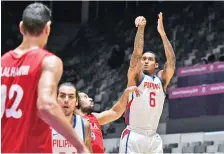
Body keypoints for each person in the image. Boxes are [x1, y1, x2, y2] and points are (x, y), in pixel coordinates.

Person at [1, 2, 88, 153]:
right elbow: (46, 106)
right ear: (47, 28)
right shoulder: (48, 61)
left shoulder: (2, 63)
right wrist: (80, 146)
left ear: (21, 27)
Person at [119, 13, 176, 153]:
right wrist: (141, 28)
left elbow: (172, 61)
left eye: (150, 59)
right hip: (134, 134)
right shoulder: (136, 76)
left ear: (156, 65)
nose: (145, 61)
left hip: (153, 137)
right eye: (144, 59)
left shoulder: (161, 80)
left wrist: (162, 34)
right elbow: (137, 53)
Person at [78, 86, 142, 153]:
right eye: (85, 97)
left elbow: (115, 112)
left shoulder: (94, 117)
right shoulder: (71, 120)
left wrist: (126, 94)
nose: (90, 99)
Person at [53, 82, 92, 153]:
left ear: (76, 102)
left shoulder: (84, 125)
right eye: (62, 96)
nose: (66, 100)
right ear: (56, 99)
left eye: (71, 97)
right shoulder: (44, 124)